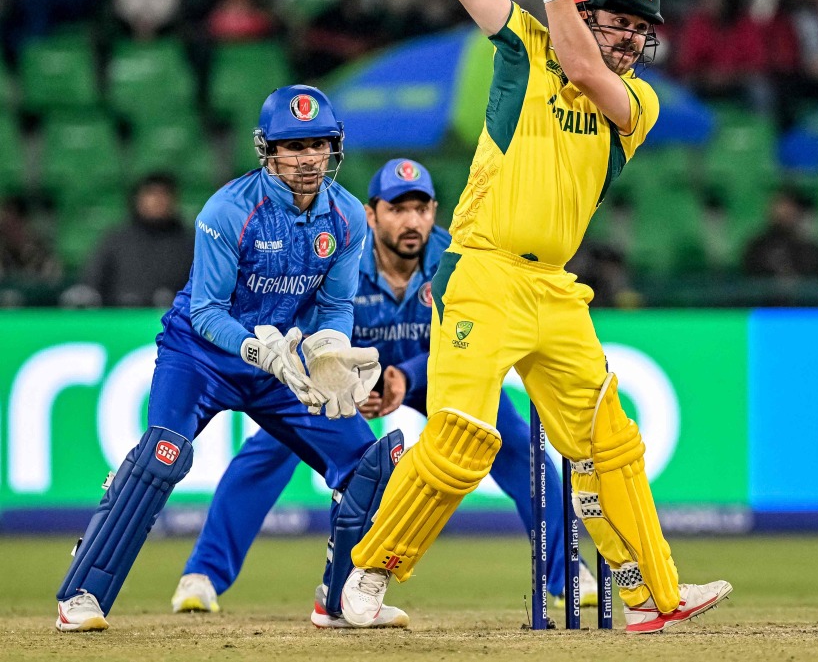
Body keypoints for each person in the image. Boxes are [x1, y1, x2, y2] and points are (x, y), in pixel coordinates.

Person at [337, 0, 731, 634]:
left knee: (606, 438)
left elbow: (586, 67)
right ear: (585, 9)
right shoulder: (524, 45)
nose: (634, 43)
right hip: (482, 270)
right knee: (462, 435)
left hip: (554, 287)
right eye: (622, 26)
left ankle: (651, 591)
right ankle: (365, 577)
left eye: (643, 33)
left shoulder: (636, 100)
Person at [170, 158, 597, 621]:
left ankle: (567, 573)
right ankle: (203, 576)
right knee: (270, 450)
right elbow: (309, 325)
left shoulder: (456, 261)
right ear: (372, 215)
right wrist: (341, 380)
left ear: (435, 212)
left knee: (514, 441)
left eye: (420, 208)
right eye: (397, 209)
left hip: (435, 371)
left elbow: (474, 343)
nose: (411, 221)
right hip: (340, 373)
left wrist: (405, 377)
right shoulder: (342, 252)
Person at [54, 85, 406, 632]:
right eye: (294, 146)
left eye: (318, 144)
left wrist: (330, 348)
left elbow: (335, 304)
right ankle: (81, 595)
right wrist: (255, 348)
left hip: (282, 365)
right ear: (267, 151)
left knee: (369, 467)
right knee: (162, 456)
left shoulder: (348, 216)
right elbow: (208, 311)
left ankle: (338, 603)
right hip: (202, 357)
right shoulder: (228, 210)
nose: (308, 158)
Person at [78, 173, 194, 307]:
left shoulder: (190, 243)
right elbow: (92, 284)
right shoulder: (116, 240)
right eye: (151, 194)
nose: (158, 200)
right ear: (138, 199)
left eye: (164, 194)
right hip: (119, 320)